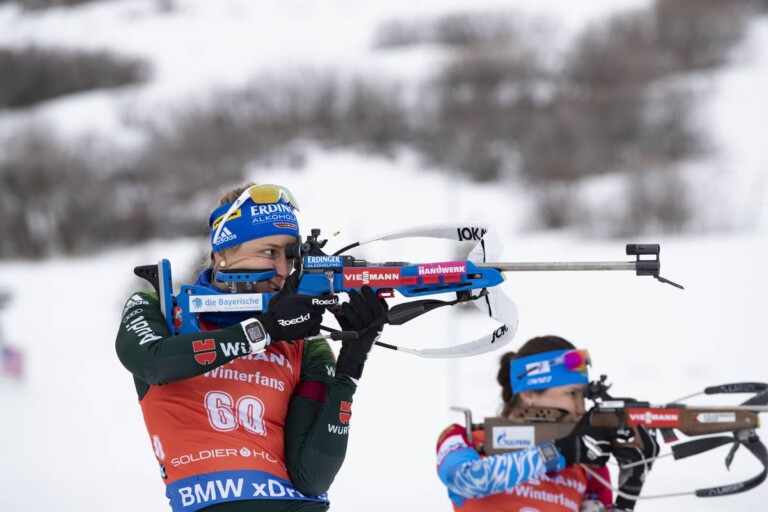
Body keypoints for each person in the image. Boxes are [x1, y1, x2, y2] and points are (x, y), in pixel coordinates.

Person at [116, 183, 387, 512]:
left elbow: (313, 477)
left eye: (290, 255)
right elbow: (154, 363)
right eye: (270, 252)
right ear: (222, 254)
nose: (284, 271)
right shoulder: (159, 309)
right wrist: (267, 329)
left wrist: (350, 365)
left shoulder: (303, 344)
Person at [435, 335, 658, 512]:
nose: (580, 409)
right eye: (572, 394)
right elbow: (466, 479)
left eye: (583, 397)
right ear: (529, 393)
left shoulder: (586, 465)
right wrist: (559, 452)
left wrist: (630, 492)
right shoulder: (465, 438)